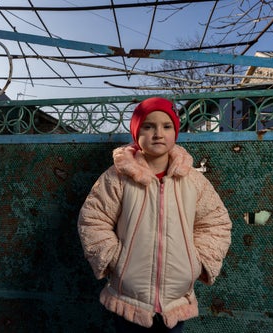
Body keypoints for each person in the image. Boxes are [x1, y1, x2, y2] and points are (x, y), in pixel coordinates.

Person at [77, 97, 232, 332]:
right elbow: (93, 219)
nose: (158, 133)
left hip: (176, 301)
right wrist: (113, 259)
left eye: (166, 126)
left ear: (175, 132)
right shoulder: (117, 177)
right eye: (148, 126)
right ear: (137, 132)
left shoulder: (193, 181)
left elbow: (216, 223)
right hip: (127, 299)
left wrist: (197, 262)